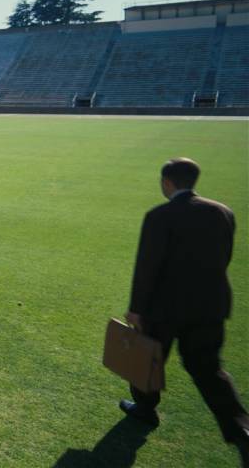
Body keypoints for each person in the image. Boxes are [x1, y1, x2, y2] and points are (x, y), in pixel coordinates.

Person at [120, 157, 248, 464]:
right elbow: (224, 258)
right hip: (210, 305)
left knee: (147, 362)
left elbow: (147, 267)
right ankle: (242, 430)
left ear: (167, 182)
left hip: (163, 308)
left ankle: (145, 410)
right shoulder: (222, 212)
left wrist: (136, 309)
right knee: (208, 370)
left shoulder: (159, 216)